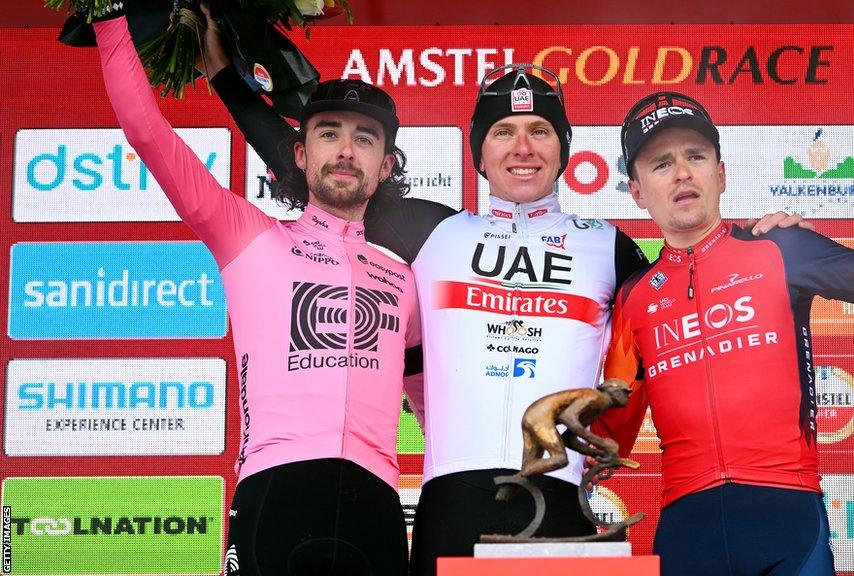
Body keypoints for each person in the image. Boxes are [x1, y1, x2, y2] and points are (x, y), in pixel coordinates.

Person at [199, 18, 807, 570]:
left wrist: (754, 238)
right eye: (504, 132)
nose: (523, 146)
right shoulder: (431, 231)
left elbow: (685, 292)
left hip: (565, 507)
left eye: (541, 130)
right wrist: (226, 78)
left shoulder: (610, 246)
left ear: (564, 151)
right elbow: (324, 171)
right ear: (480, 154)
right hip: (451, 510)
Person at [592, 91, 854, 576]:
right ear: (635, 190)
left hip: (789, 522)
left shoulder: (783, 248)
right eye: (661, 163)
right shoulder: (634, 300)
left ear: (722, 172)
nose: (682, 173)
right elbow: (607, 442)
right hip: (687, 533)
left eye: (696, 156)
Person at [86, 7, 421, 575]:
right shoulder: (247, 235)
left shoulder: (405, 275)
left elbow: (428, 399)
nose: (345, 150)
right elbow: (147, 132)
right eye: (328, 133)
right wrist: (108, 17)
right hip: (274, 494)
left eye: (364, 139)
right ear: (299, 153)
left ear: (385, 165)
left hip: (376, 506)